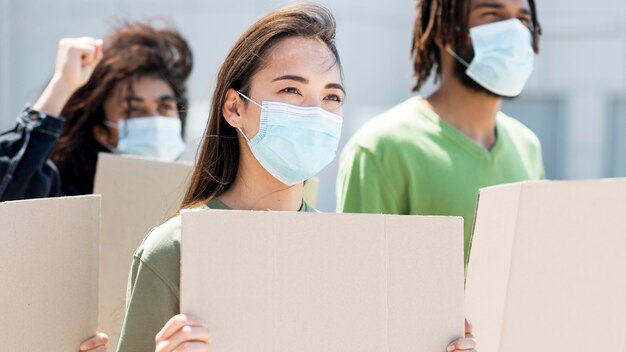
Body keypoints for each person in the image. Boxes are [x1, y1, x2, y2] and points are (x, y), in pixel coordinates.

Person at [116, 5, 477, 352]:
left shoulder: (349, 254)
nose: (315, 112)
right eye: (291, 90)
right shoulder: (173, 250)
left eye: (331, 96)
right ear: (235, 107)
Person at [337, 0, 545, 266]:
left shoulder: (527, 145)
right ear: (442, 31)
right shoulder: (381, 148)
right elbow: (360, 282)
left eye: (523, 20)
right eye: (492, 15)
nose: (514, 31)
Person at [0, 22, 192, 201]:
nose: (155, 120)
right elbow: (12, 189)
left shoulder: (193, 202)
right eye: (134, 109)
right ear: (102, 132)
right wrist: (62, 85)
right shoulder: (69, 201)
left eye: (165, 107)